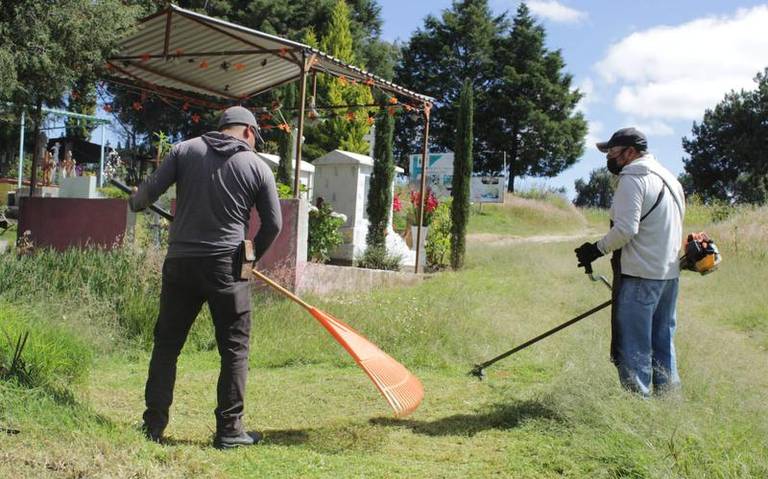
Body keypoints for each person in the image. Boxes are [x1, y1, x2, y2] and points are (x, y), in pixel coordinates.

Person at [129, 106, 282, 448]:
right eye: (256, 137)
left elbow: (145, 196)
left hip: (181, 263)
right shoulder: (257, 166)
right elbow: (273, 225)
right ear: (247, 131)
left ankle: (153, 425)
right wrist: (249, 257)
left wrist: (135, 199)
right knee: (234, 349)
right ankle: (229, 431)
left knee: (167, 345)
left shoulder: (184, 150)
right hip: (227, 265)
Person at [574, 127, 685, 397]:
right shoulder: (670, 178)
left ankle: (638, 404)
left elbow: (625, 229)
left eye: (612, 152)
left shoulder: (633, 178)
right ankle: (668, 399)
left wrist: (596, 249)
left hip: (639, 275)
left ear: (631, 152)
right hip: (668, 275)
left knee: (634, 344)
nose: (609, 159)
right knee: (663, 340)